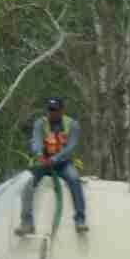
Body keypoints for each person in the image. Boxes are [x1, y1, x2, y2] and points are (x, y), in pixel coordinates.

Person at [19, 97, 88, 235]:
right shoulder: (40, 123)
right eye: (50, 110)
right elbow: (37, 141)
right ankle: (27, 222)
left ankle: (80, 220)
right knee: (27, 181)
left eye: (55, 110)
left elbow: (70, 147)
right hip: (43, 162)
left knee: (74, 179)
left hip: (63, 163)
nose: (52, 113)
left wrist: (55, 159)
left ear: (62, 110)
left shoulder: (72, 125)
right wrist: (39, 154)